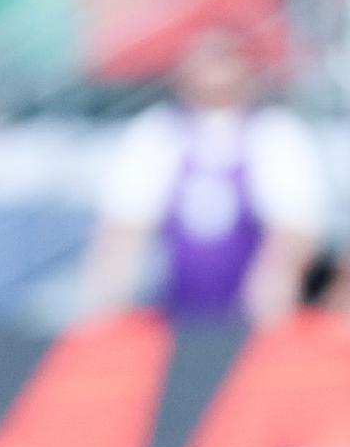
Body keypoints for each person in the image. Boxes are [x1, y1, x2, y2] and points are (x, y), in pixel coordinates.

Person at [84, 30, 324, 326]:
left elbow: (293, 234)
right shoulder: (157, 132)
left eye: (223, 60)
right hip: (174, 312)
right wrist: (108, 308)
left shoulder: (276, 133)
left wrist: (269, 303)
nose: (214, 75)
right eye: (204, 61)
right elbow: (123, 230)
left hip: (256, 320)